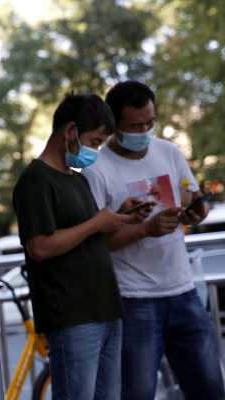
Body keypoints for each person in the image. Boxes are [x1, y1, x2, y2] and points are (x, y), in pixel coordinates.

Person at [82, 80, 225, 400]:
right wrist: (146, 228)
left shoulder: (168, 151)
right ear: (113, 126)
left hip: (184, 290)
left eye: (150, 122)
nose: (144, 130)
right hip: (133, 300)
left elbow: (191, 195)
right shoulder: (97, 170)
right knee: (137, 392)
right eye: (135, 125)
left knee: (211, 388)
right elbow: (96, 244)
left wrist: (195, 211)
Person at [13, 93, 140, 400]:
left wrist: (122, 214)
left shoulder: (77, 179)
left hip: (106, 309)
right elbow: (40, 247)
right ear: (69, 131)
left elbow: (86, 233)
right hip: (72, 317)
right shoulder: (36, 180)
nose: (95, 151)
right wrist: (97, 223)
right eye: (94, 141)